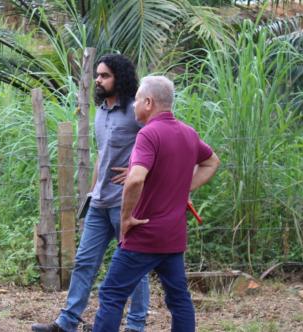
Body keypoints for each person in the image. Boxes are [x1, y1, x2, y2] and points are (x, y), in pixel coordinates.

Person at [32, 54, 150, 332]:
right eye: (97, 75)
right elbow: (102, 155)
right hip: (100, 201)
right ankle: (67, 321)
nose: (98, 80)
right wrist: (92, 191)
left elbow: (158, 143)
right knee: (85, 261)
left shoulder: (136, 110)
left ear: (119, 77)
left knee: (134, 265)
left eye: (105, 75)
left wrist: (138, 170)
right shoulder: (101, 112)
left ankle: (136, 326)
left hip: (126, 203)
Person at [92, 76, 221, 332]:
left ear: (148, 102)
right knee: (178, 299)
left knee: (111, 294)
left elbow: (135, 179)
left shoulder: (148, 134)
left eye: (137, 100)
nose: (134, 106)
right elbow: (212, 162)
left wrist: (127, 219)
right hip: (172, 236)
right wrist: (183, 187)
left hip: (144, 234)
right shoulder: (188, 133)